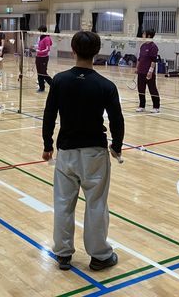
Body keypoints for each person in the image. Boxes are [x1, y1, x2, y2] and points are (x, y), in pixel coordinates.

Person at [42, 30, 124, 272]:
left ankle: (63, 253)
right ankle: (100, 255)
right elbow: (117, 120)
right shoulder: (105, 85)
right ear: (97, 52)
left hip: (66, 153)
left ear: (73, 50)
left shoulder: (59, 81)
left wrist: (47, 145)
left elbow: (49, 114)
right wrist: (117, 146)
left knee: (63, 203)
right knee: (96, 204)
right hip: (95, 154)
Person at [135, 29, 160, 113]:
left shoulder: (153, 47)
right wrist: (137, 68)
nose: (142, 35)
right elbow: (139, 58)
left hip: (148, 72)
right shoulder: (142, 46)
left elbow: (153, 61)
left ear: (148, 36)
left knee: (152, 89)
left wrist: (150, 71)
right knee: (141, 89)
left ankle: (156, 107)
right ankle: (142, 106)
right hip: (141, 72)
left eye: (144, 34)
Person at [35, 25, 53, 92]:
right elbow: (40, 46)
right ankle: (41, 87)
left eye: (39, 31)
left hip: (44, 58)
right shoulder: (41, 37)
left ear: (42, 31)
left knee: (43, 73)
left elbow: (48, 49)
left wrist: (39, 51)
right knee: (39, 73)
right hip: (38, 57)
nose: (39, 32)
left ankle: (53, 84)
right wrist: (35, 48)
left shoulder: (47, 38)